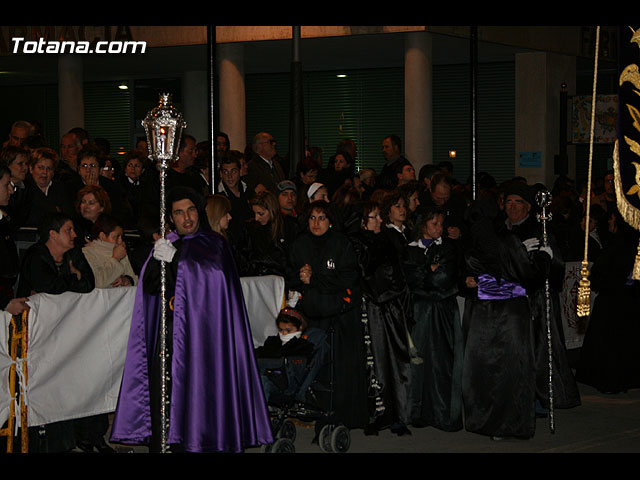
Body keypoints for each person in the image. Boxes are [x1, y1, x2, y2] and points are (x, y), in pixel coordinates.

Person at [110, 186, 273, 453]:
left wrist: (177, 262)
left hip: (204, 337)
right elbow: (152, 287)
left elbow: (212, 280)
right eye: (178, 212)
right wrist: (158, 261)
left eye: (191, 210)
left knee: (203, 391)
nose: (186, 218)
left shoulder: (214, 244)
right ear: (170, 218)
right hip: (170, 333)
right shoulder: (167, 244)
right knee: (167, 395)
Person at [17, 212, 95, 452]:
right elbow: (47, 287)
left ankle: (70, 440)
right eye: (69, 230)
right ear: (52, 234)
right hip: (35, 335)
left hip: (65, 333)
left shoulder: (74, 253)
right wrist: (73, 277)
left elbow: (89, 283)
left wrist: (73, 279)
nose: (74, 235)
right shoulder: (36, 255)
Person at [287, 200, 368, 431]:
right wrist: (299, 276)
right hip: (311, 315)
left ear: (330, 221)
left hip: (340, 316)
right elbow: (289, 274)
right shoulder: (299, 244)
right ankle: (311, 412)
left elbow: (349, 278)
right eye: (312, 218)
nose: (316, 223)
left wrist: (315, 279)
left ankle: (343, 415)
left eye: (321, 218)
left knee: (341, 367)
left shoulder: (341, 244)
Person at [348, 200, 413, 436]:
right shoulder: (358, 242)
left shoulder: (389, 239)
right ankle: (375, 414)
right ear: (364, 221)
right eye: (373, 217)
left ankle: (399, 415)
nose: (379, 221)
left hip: (392, 306)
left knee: (397, 358)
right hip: (372, 307)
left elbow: (400, 270)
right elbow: (364, 271)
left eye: (379, 217)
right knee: (374, 361)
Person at [403, 207, 463, 432]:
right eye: (435, 224)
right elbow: (407, 277)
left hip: (441, 313)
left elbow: (443, 279)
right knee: (417, 362)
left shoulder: (448, 248)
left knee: (440, 363)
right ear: (423, 225)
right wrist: (428, 270)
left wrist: (424, 275)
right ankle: (415, 412)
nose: (440, 228)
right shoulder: (409, 249)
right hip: (418, 312)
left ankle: (441, 413)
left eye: (441, 224)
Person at [255, 308, 316, 404]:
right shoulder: (272, 342)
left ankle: (258, 416)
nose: (284, 333)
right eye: (281, 330)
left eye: (288, 330)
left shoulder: (304, 346)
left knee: (262, 381)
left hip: (285, 385)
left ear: (299, 328)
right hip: (265, 376)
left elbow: (293, 369)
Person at [82, 213, 138, 289]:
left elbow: (134, 279)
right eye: (116, 237)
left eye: (121, 236)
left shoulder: (120, 250)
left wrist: (127, 280)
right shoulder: (87, 252)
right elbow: (97, 282)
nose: (120, 241)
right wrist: (115, 259)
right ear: (102, 236)